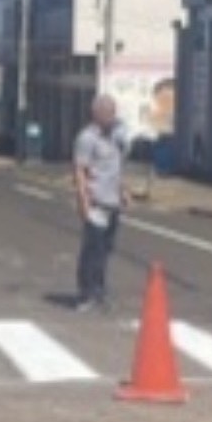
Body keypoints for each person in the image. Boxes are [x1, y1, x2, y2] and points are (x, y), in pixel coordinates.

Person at [73, 93, 130, 312]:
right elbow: (80, 171)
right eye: (108, 113)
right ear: (97, 114)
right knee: (92, 250)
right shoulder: (86, 138)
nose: (112, 117)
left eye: (113, 112)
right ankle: (85, 293)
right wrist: (83, 202)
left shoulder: (115, 137)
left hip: (112, 201)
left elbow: (116, 169)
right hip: (96, 202)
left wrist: (123, 190)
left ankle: (99, 291)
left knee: (105, 250)